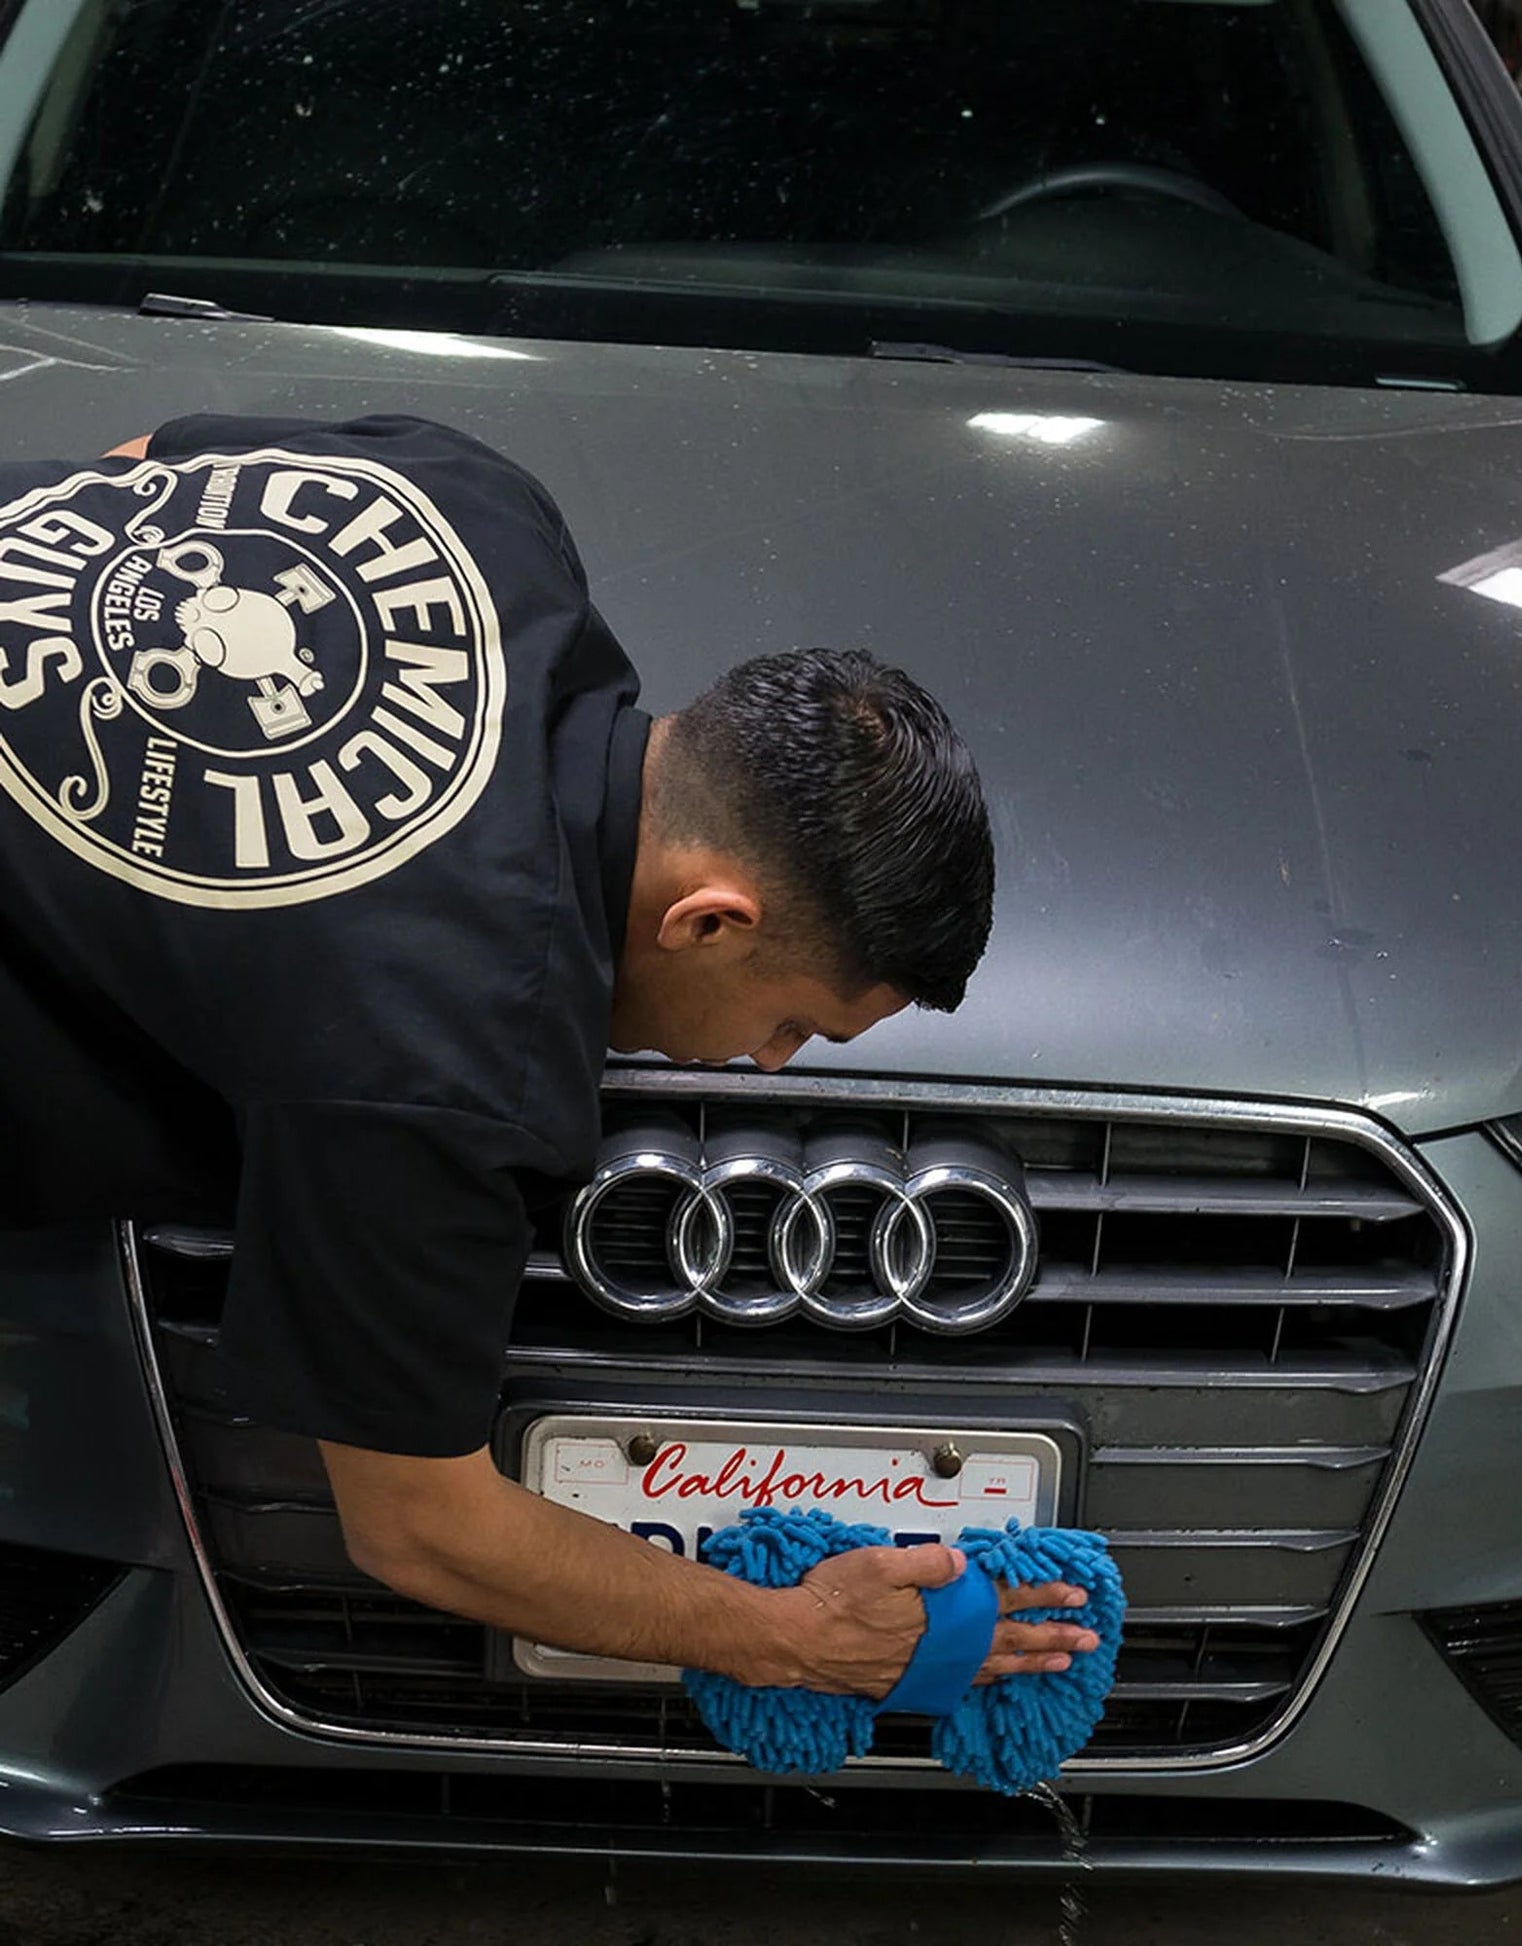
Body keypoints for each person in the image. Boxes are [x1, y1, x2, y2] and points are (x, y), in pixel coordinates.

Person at [0, 412, 1098, 1698]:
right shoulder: (441, 1050)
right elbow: (420, 1526)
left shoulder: (476, 504)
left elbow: (147, 461)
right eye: (792, 1022)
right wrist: (794, 1637)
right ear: (708, 920)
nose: (770, 1065)